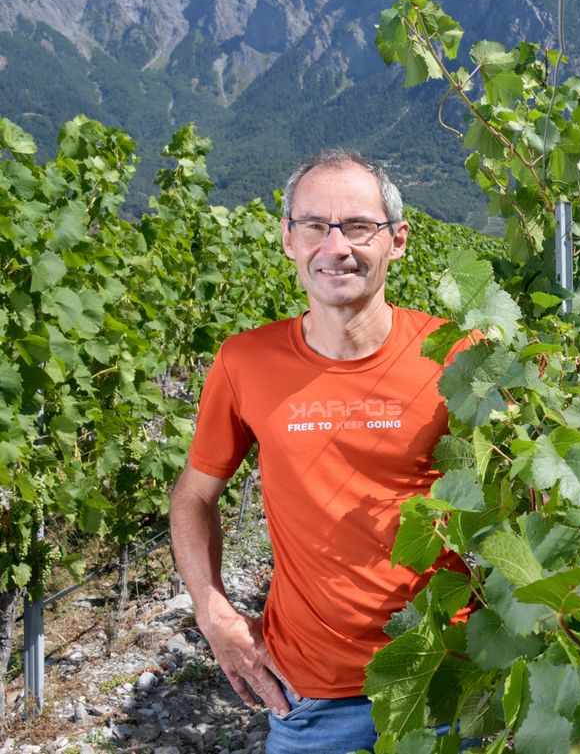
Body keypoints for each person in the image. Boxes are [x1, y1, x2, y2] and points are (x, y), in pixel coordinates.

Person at [169, 149, 465, 753]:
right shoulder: (244, 361)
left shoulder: (460, 356)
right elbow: (195, 495)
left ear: (397, 241)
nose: (336, 247)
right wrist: (212, 610)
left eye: (358, 226)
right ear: (288, 239)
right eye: (314, 226)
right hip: (313, 699)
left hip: (445, 681)